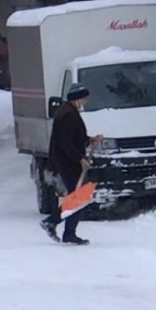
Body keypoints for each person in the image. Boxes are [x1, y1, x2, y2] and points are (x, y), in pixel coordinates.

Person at [40, 83, 103, 245]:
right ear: (77, 98)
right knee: (79, 197)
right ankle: (55, 224)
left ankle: (63, 229)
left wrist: (89, 140)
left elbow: (75, 137)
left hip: (69, 162)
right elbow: (65, 142)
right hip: (67, 163)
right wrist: (80, 159)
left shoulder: (69, 111)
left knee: (78, 197)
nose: (87, 101)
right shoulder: (67, 114)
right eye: (85, 98)